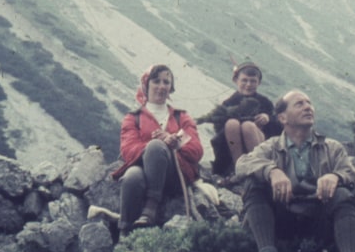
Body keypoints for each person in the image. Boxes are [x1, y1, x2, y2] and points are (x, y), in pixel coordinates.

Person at [235, 90, 355, 252]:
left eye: (309, 103)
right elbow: (242, 165)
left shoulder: (332, 148)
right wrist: (272, 171)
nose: (308, 107)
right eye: (299, 104)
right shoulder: (271, 147)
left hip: (320, 222)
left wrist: (336, 176)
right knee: (253, 184)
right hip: (283, 220)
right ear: (282, 118)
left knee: (342, 194)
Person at [110, 64, 203, 233]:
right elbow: (128, 150)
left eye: (166, 82)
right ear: (146, 86)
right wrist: (156, 145)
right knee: (131, 176)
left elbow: (197, 149)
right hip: (144, 172)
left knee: (156, 146)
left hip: (175, 173)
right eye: (156, 81)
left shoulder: (181, 116)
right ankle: (126, 233)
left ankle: (150, 208)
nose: (161, 86)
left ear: (171, 88)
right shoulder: (133, 118)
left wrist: (176, 142)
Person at [199, 61, 282, 181]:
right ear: (236, 80)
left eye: (253, 81)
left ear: (259, 82)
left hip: (260, 146)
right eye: (244, 80)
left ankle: (258, 169)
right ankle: (240, 170)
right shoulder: (228, 104)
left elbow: (279, 124)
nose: (248, 84)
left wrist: (267, 118)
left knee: (248, 126)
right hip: (233, 151)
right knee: (231, 124)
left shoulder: (265, 102)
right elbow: (219, 131)